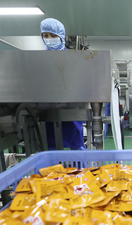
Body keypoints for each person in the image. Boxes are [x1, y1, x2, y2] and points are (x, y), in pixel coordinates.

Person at [40, 18, 86, 150]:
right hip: (47, 111)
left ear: (61, 36)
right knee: (50, 148)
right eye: (45, 35)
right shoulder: (39, 60)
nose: (49, 39)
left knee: (76, 147)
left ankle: (81, 170)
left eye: (53, 35)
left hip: (71, 110)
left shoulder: (73, 60)